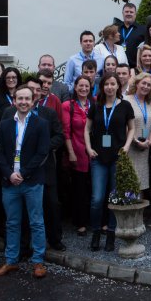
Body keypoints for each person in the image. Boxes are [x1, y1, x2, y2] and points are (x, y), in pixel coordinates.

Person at [0, 86, 52, 279]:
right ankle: (11, 261)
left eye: (27, 99)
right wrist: (9, 174)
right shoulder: (6, 124)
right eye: (20, 99)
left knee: (36, 222)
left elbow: (42, 153)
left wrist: (22, 173)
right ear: (14, 101)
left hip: (31, 181)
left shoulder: (41, 124)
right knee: (12, 223)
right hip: (10, 182)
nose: (23, 102)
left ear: (33, 101)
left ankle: (38, 261)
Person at [84, 73, 136, 251]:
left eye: (113, 84)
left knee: (115, 198)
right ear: (103, 87)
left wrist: (127, 146)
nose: (110, 87)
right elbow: (87, 128)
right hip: (98, 158)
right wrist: (89, 148)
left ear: (118, 86)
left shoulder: (125, 106)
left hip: (117, 158)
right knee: (97, 199)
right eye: (107, 84)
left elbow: (132, 128)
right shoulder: (96, 106)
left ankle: (112, 234)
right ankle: (96, 232)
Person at [62, 75, 94, 236]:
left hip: (93, 152)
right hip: (78, 151)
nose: (83, 89)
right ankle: (80, 222)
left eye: (86, 86)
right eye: (80, 86)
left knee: (92, 187)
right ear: (75, 87)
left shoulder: (94, 103)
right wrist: (71, 153)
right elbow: (66, 132)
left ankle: (92, 219)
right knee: (79, 189)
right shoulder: (68, 105)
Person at [125, 72, 151, 191]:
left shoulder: (149, 103)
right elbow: (124, 126)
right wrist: (135, 141)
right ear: (137, 83)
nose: (146, 87)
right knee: (129, 183)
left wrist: (150, 141)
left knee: (141, 184)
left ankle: (138, 210)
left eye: (149, 85)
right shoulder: (127, 100)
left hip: (144, 148)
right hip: (130, 148)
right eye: (144, 83)